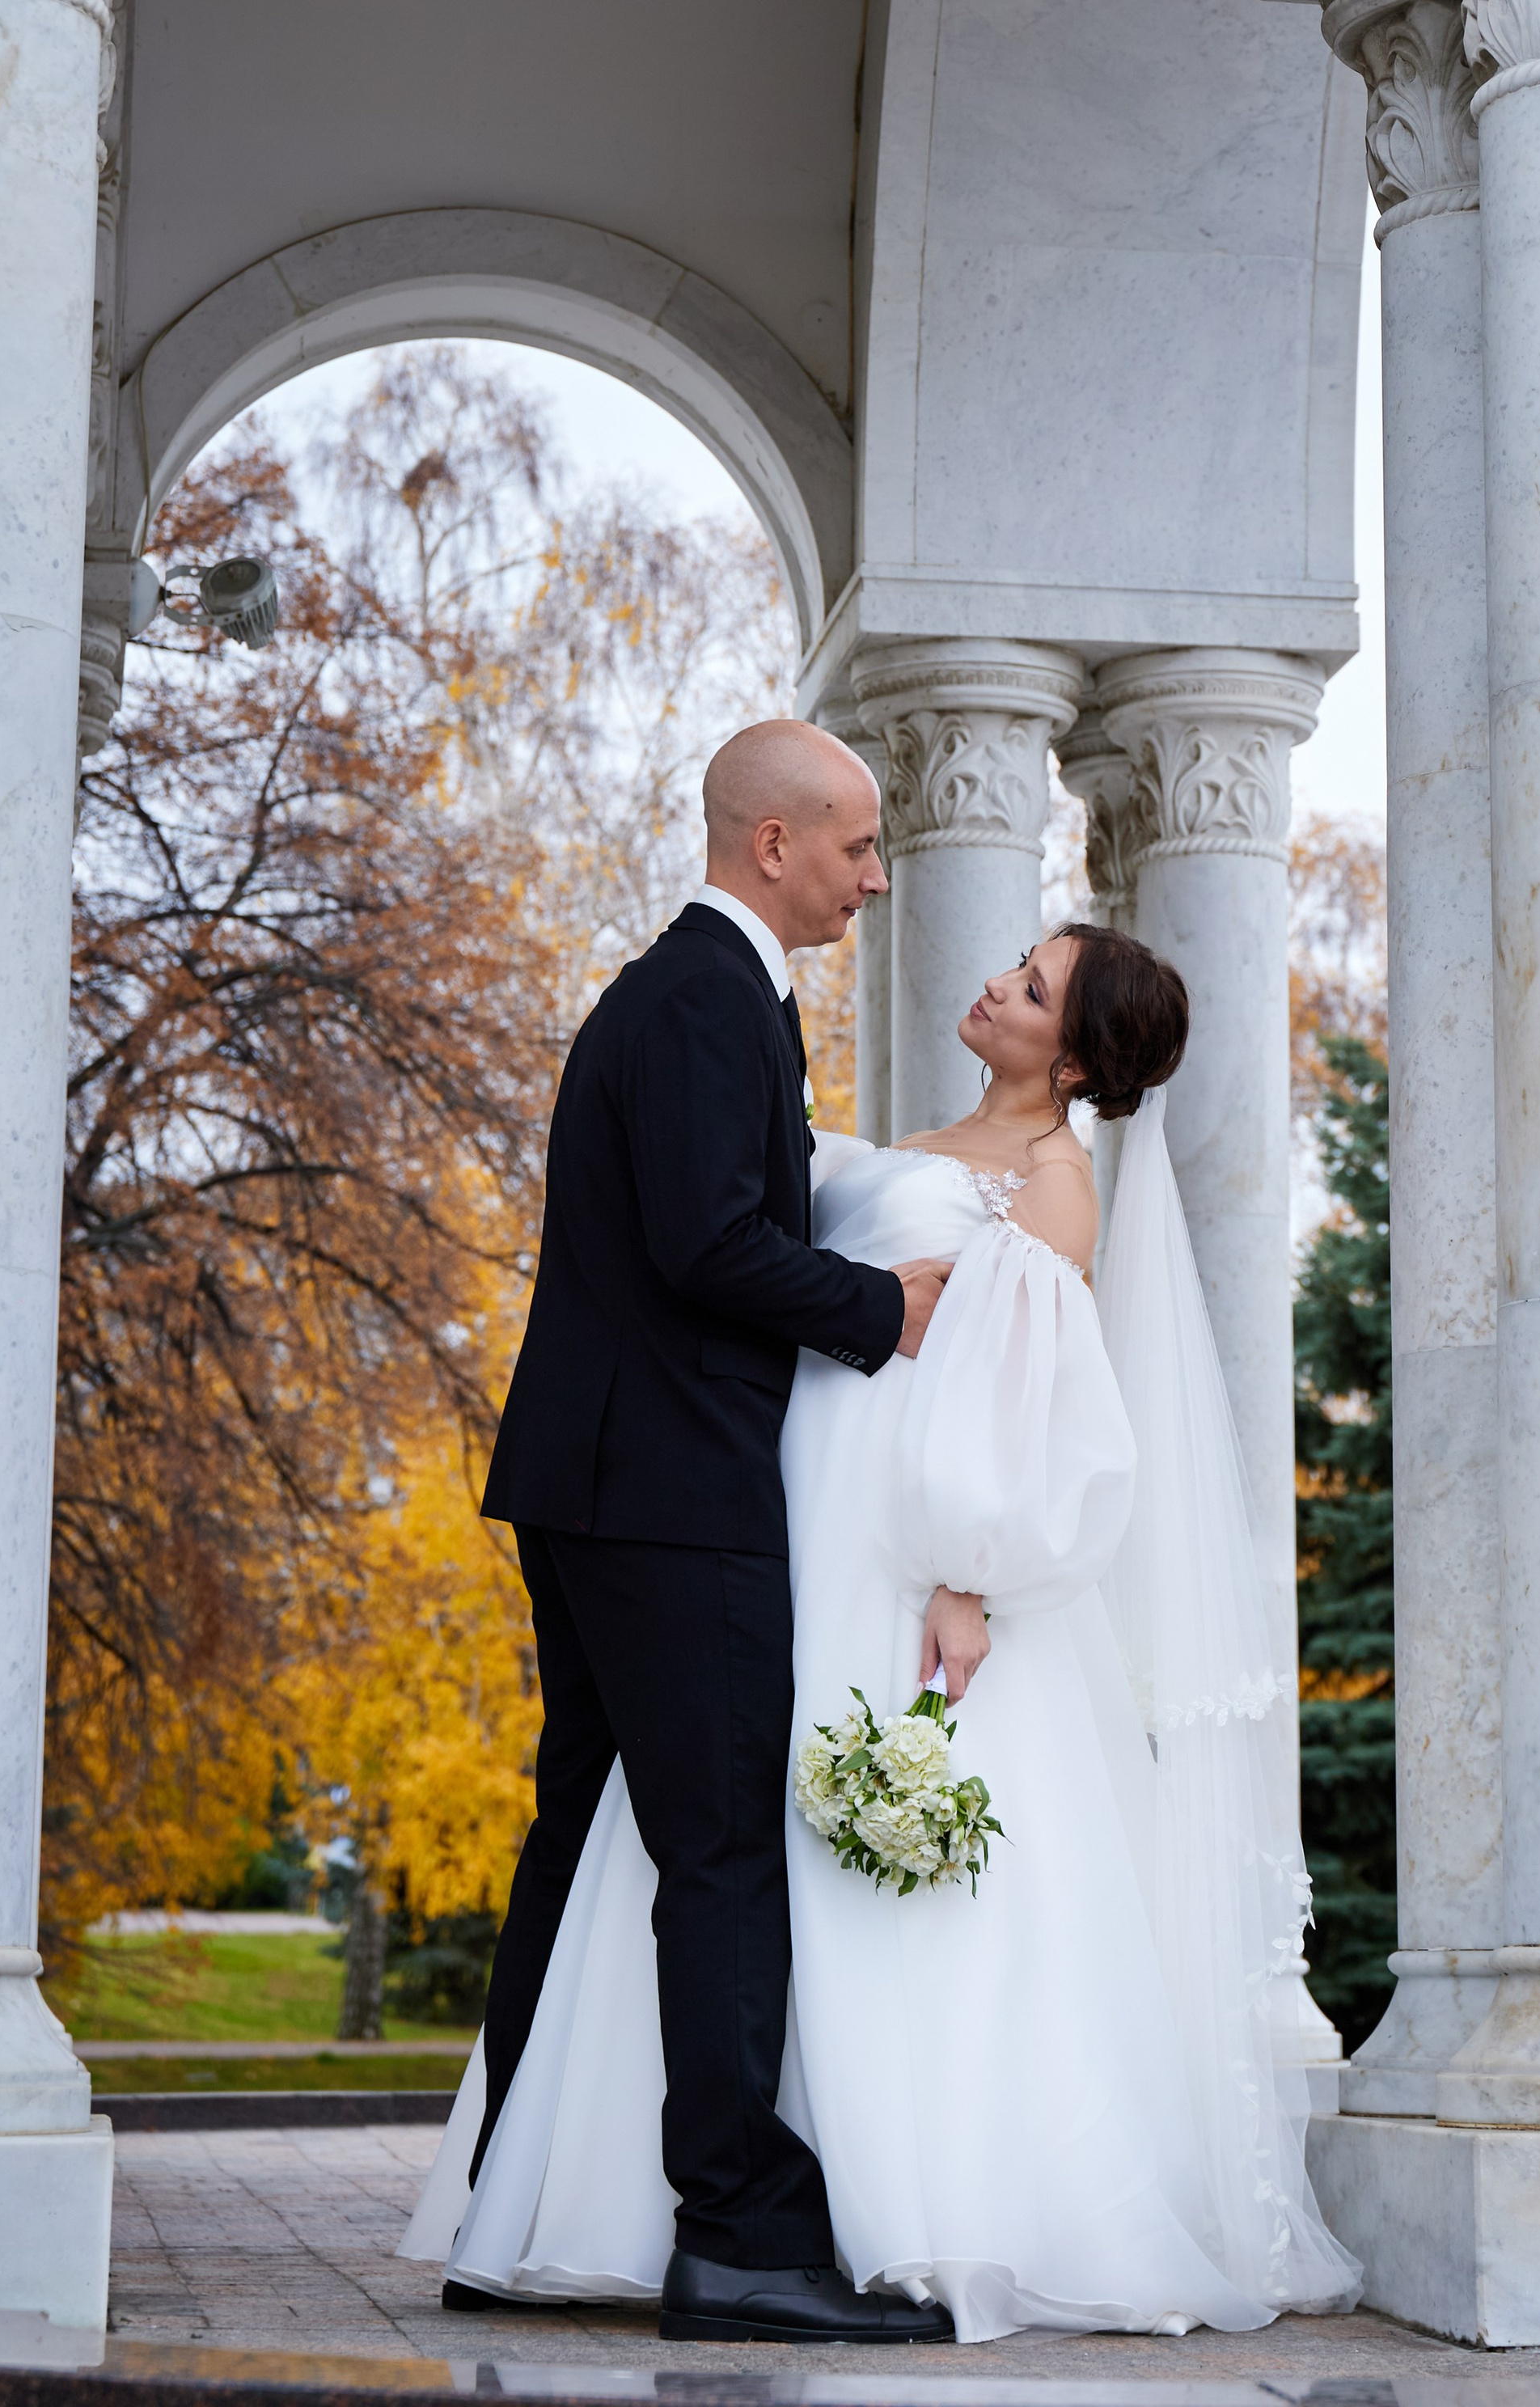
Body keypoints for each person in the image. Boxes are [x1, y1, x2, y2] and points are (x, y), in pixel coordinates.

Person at [405, 899, 1361, 2341]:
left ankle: (895, 2196)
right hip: (792, 1511)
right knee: (726, 1833)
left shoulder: (1053, 1189)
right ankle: (679, 2197)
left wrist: (964, 1577)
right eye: (1017, 965)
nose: (997, 985)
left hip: (898, 1554)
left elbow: (1023, 1403)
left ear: (1075, 1061)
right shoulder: (934, 1144)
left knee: (818, 1849)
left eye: (1032, 988)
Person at [461, 718, 958, 2346]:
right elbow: (707, 1244)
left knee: (582, 1837)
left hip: (604, 1482)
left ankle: (506, 2203)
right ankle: (738, 2237)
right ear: (773, 843)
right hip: (668, 1491)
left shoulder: (697, 993)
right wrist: (882, 1309)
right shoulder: (701, 998)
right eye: (857, 847)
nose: (872, 879)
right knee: (724, 1850)